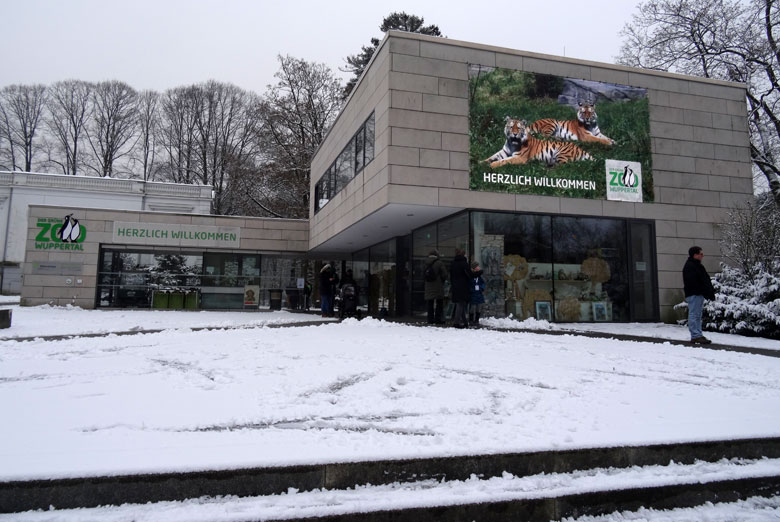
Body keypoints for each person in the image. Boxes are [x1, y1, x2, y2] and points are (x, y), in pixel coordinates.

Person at [682, 246, 716, 344]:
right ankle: (696, 335)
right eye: (701, 254)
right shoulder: (691, 266)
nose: (702, 256)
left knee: (697, 315)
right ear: (695, 255)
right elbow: (695, 281)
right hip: (695, 293)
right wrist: (704, 290)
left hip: (697, 293)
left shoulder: (695, 265)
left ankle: (697, 334)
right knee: (694, 314)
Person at [423, 250, 448, 324]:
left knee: (430, 303)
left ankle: (430, 319)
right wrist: (442, 280)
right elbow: (445, 274)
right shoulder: (439, 263)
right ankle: (438, 319)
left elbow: (423, 274)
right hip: (438, 285)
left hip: (428, 285)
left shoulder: (425, 262)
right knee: (439, 303)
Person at [450, 248, 471, 328]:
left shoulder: (453, 263)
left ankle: (465, 322)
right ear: (463, 255)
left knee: (460, 303)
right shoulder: (464, 263)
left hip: (455, 285)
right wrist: (478, 273)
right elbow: (469, 275)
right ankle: (456, 322)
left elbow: (451, 275)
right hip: (463, 286)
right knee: (461, 303)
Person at [469, 261, 486, 328]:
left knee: (478, 308)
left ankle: (476, 320)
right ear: (474, 268)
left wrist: (481, 288)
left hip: (479, 294)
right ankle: (471, 320)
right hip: (473, 294)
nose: (479, 267)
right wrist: (472, 290)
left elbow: (483, 283)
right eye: (477, 266)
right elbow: (469, 284)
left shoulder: (480, 277)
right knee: (472, 308)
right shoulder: (471, 276)